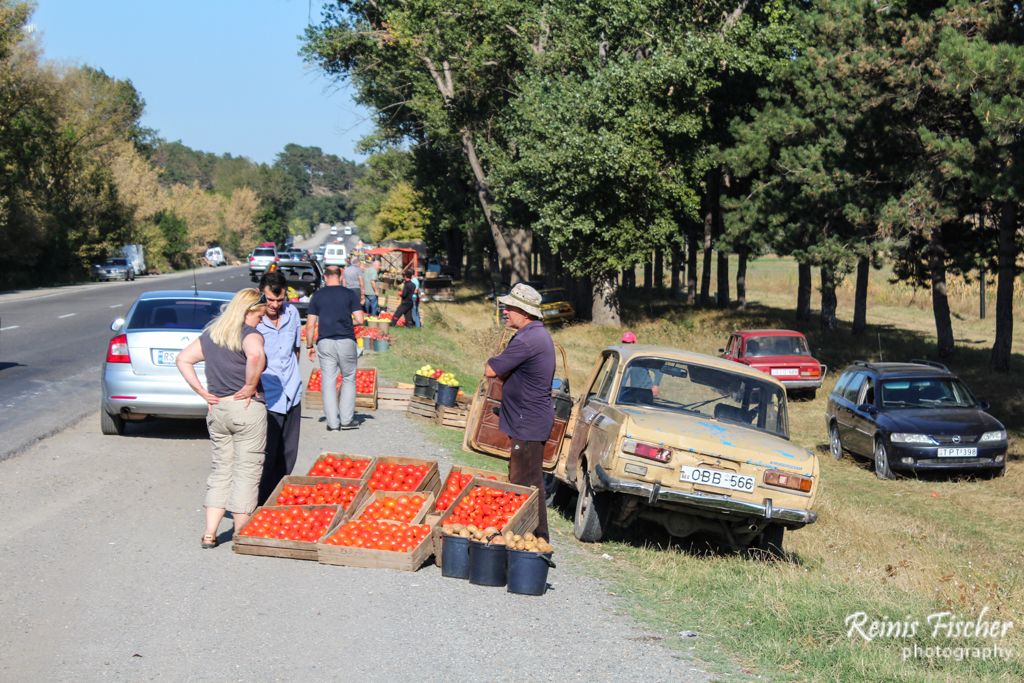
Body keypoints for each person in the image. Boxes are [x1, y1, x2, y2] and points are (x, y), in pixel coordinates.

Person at [176, 288, 267, 549]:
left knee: (221, 471)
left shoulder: (212, 335)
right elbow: (256, 355)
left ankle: (209, 533)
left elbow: (183, 359)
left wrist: (202, 392)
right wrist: (251, 385)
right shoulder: (249, 335)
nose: (262, 318)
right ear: (250, 310)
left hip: (217, 411)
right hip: (246, 409)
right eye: (260, 313)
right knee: (246, 471)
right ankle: (241, 532)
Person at [484, 283, 555, 539]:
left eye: (510, 307)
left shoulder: (527, 339)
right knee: (526, 481)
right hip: (530, 420)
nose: (505, 311)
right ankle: (531, 536)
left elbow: (491, 370)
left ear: (524, 312)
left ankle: (535, 539)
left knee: (526, 484)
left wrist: (492, 362)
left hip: (529, 422)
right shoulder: (533, 335)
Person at [255, 270, 303, 505]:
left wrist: (295, 377)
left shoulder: (292, 313)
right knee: (267, 452)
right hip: (267, 395)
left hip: (292, 391)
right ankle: (260, 501)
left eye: (279, 299)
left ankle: (276, 498)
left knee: (289, 452)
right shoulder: (253, 320)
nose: (275, 305)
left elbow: (297, 349)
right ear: (260, 295)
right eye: (270, 300)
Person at [306, 265, 365, 430]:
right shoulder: (349, 294)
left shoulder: (317, 296)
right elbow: (360, 319)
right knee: (348, 378)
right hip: (346, 340)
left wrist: (309, 345)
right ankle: (346, 420)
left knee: (328, 381)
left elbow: (310, 325)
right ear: (340, 277)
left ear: (324, 277)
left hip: (325, 342)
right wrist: (346, 321)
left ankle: (332, 423)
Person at [620, 331, 661, 399]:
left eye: (629, 343)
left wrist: (656, 385)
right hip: (626, 393)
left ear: (634, 343)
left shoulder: (641, 357)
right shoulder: (621, 357)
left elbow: (659, 370)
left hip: (644, 392)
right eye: (624, 342)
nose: (627, 345)